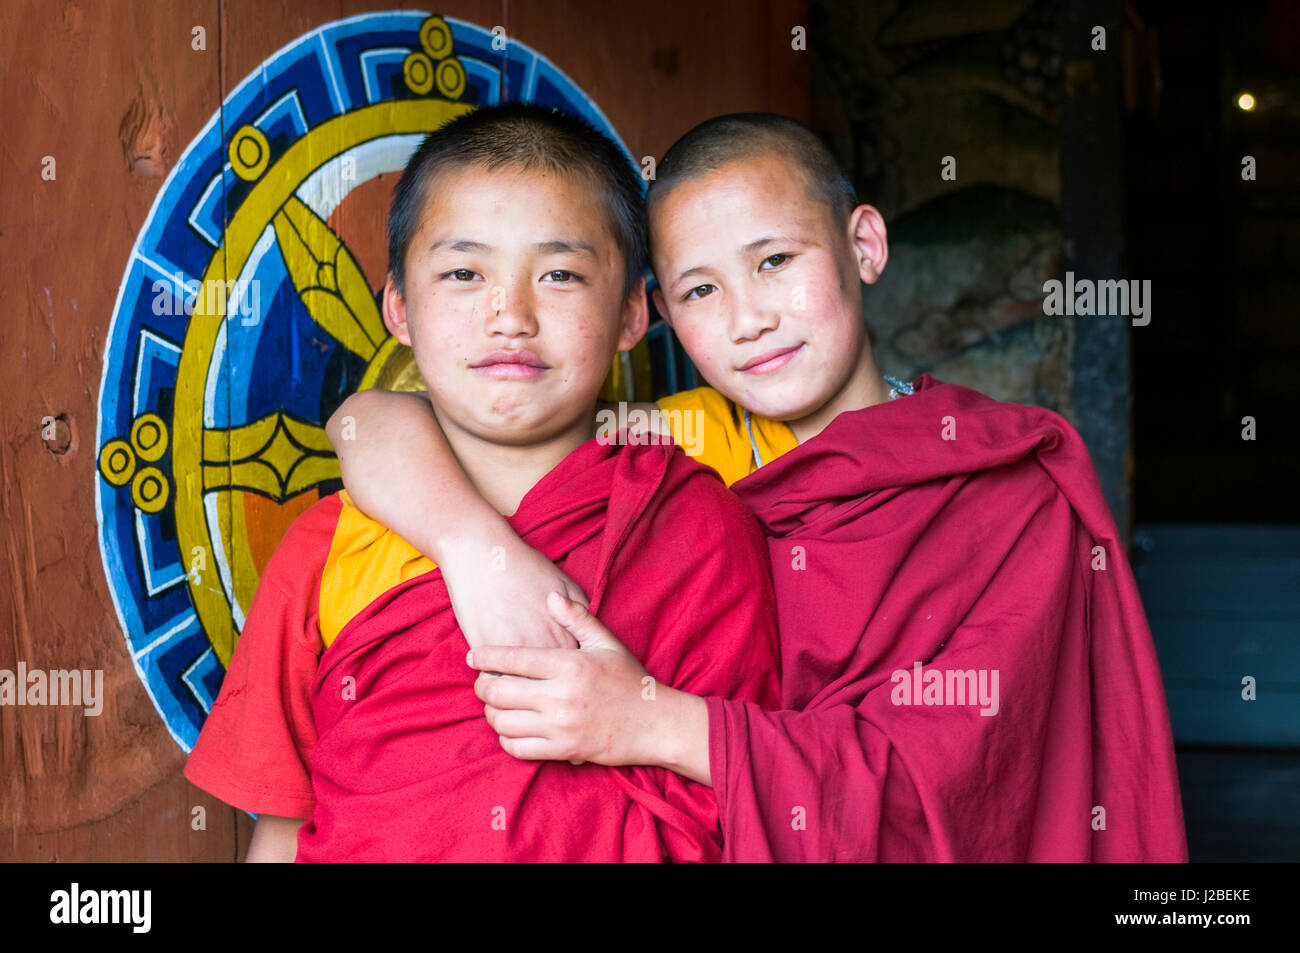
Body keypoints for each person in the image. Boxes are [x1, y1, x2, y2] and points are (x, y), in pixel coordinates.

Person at [331, 112, 1189, 862]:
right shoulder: (670, 448)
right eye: (702, 289)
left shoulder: (996, 486)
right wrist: (474, 548)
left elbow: (961, 777)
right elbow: (368, 425)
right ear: (657, 315)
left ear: (865, 246)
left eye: (775, 260)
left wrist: (650, 721)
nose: (750, 318)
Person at [182, 103, 781, 862]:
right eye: (465, 273)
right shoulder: (329, 545)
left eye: (560, 274)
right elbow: (282, 819)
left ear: (633, 312)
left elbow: (746, 793)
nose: (511, 315)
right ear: (398, 307)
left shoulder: (695, 518)